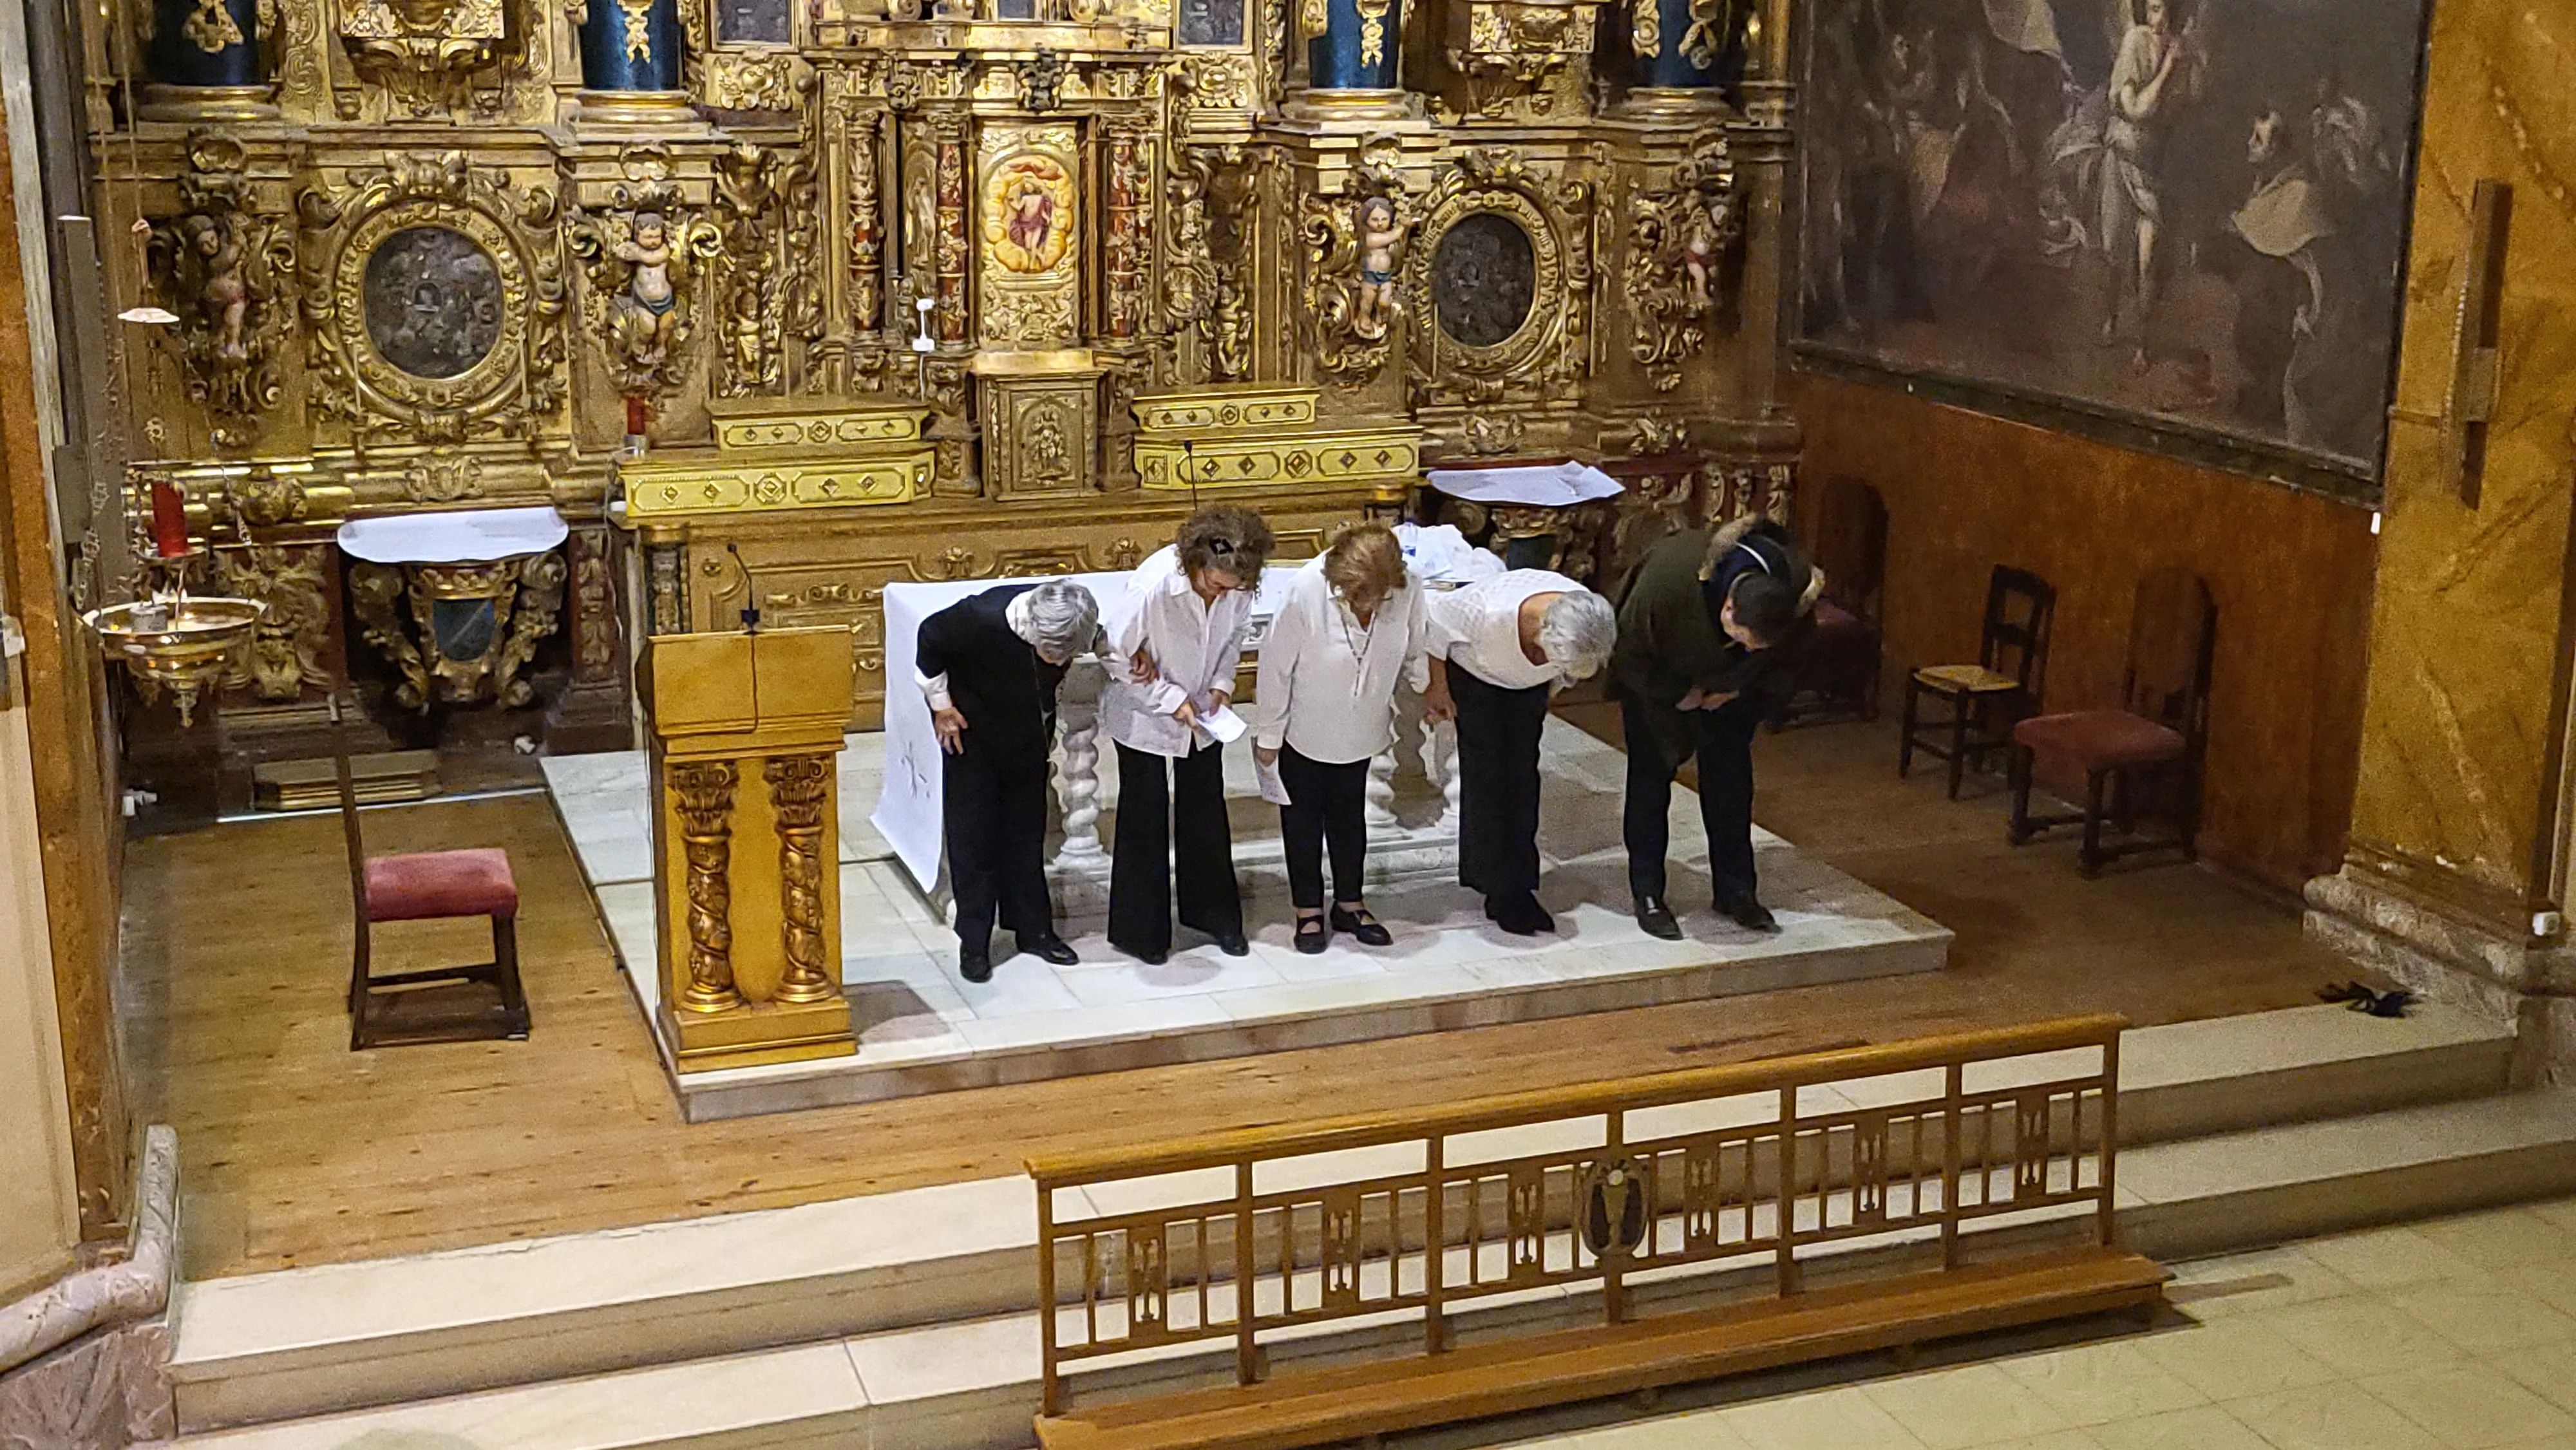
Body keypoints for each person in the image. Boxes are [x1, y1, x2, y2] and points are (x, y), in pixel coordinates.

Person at [1611, 515, 1819, 939]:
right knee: (1650, 783)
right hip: (1659, 685)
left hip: (1731, 698)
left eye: (1753, 647)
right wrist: (1679, 693)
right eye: (1739, 637)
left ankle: (1737, 891)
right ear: (1728, 606)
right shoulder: (1668, 585)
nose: (1744, 648)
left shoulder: (1793, 594)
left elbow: (1791, 664)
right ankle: (1648, 893)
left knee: (1731, 787)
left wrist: (1740, 690)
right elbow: (1627, 653)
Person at [1252, 522, 1445, 954]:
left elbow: (1416, 643)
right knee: (1302, 821)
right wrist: (1268, 733)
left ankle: (1350, 903)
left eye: (1379, 599)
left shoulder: (1407, 585)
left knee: (1348, 817)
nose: (1371, 607)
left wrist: (1428, 690)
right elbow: (1275, 667)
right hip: (1304, 726)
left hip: (1362, 723)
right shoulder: (1306, 588)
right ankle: (1307, 910)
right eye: (1359, 599)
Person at [1104, 505, 1274, 964]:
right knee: (1145, 819)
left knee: (1205, 813)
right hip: (1145, 714)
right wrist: (1168, 697)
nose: (1222, 594)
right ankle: (1142, 934)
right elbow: (1116, 655)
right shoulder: (1154, 585)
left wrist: (1221, 684)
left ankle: (1214, 916)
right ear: (1195, 562)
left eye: (1232, 588)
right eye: (1215, 585)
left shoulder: (1237, 585)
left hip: (1202, 713)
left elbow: (1236, 635)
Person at [916, 578, 1100, 983]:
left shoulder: (1071, 610)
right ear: (1034, 629)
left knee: (1027, 833)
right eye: (1052, 653)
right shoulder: (979, 617)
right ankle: (975, 942)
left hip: (1028, 735)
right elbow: (930, 637)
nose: (1057, 662)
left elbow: (1099, 639)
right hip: (972, 737)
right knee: (974, 838)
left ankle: (1033, 930)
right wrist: (941, 706)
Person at [1424, 568, 1617, 936]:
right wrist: (1438, 688)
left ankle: (1521, 885)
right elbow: (1436, 628)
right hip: (1477, 678)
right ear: (1544, 634)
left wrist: (1551, 685)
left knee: (1524, 779)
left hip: (1527, 689)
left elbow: (1566, 668)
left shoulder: (1582, 612)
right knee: (1488, 779)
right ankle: (1496, 888)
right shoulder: (1486, 610)